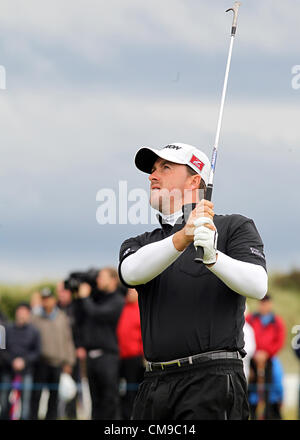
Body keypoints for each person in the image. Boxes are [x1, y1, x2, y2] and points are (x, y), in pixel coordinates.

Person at [118, 142, 268, 420]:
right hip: (153, 384)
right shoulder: (141, 243)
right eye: (152, 170)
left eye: (165, 167)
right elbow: (130, 273)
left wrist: (214, 258)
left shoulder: (234, 227)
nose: (153, 176)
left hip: (213, 382)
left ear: (195, 181)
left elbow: (258, 285)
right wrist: (182, 237)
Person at [75, 267, 124, 420]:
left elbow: (97, 313)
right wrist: (81, 297)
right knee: (95, 401)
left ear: (113, 280)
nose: (98, 280)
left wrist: (85, 298)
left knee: (109, 400)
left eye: (102, 277)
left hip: (108, 356)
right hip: (91, 357)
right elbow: (80, 316)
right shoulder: (96, 298)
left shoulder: (117, 300)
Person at [30, 287, 76, 420]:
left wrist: (69, 362)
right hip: (40, 362)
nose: (46, 302)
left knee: (54, 397)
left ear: (53, 300)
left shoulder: (62, 317)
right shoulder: (35, 318)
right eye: (43, 300)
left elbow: (68, 341)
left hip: (57, 363)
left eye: (48, 299)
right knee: (36, 395)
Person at [246, 294, 286, 420]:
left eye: (266, 303)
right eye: (261, 303)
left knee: (268, 390)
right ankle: (252, 415)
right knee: (251, 390)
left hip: (268, 360)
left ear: (270, 304)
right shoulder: (250, 319)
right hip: (253, 360)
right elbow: (247, 337)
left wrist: (267, 353)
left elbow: (279, 341)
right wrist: (255, 353)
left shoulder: (277, 322)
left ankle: (268, 414)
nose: (263, 306)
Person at [0, 303, 40, 420]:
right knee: (4, 399)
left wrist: (24, 361)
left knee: (25, 402)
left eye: (25, 313)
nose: (22, 315)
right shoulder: (6, 329)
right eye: (20, 312)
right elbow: (2, 349)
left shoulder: (34, 332)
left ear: (29, 315)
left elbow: (37, 351)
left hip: (26, 371)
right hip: (7, 370)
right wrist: (12, 361)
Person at [117, 288, 144, 420]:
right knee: (122, 391)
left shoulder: (141, 308)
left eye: (132, 291)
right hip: (120, 356)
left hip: (135, 357)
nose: (129, 293)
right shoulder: (122, 307)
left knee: (133, 390)